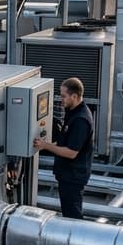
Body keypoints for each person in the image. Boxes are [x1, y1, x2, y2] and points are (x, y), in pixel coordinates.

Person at [33, 76, 94, 219]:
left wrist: (45, 145)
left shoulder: (80, 120)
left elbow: (71, 152)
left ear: (75, 96)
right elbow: (64, 141)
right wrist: (45, 145)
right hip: (67, 174)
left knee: (72, 214)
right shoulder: (73, 111)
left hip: (73, 177)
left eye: (64, 96)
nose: (61, 99)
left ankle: (75, 237)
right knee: (68, 211)